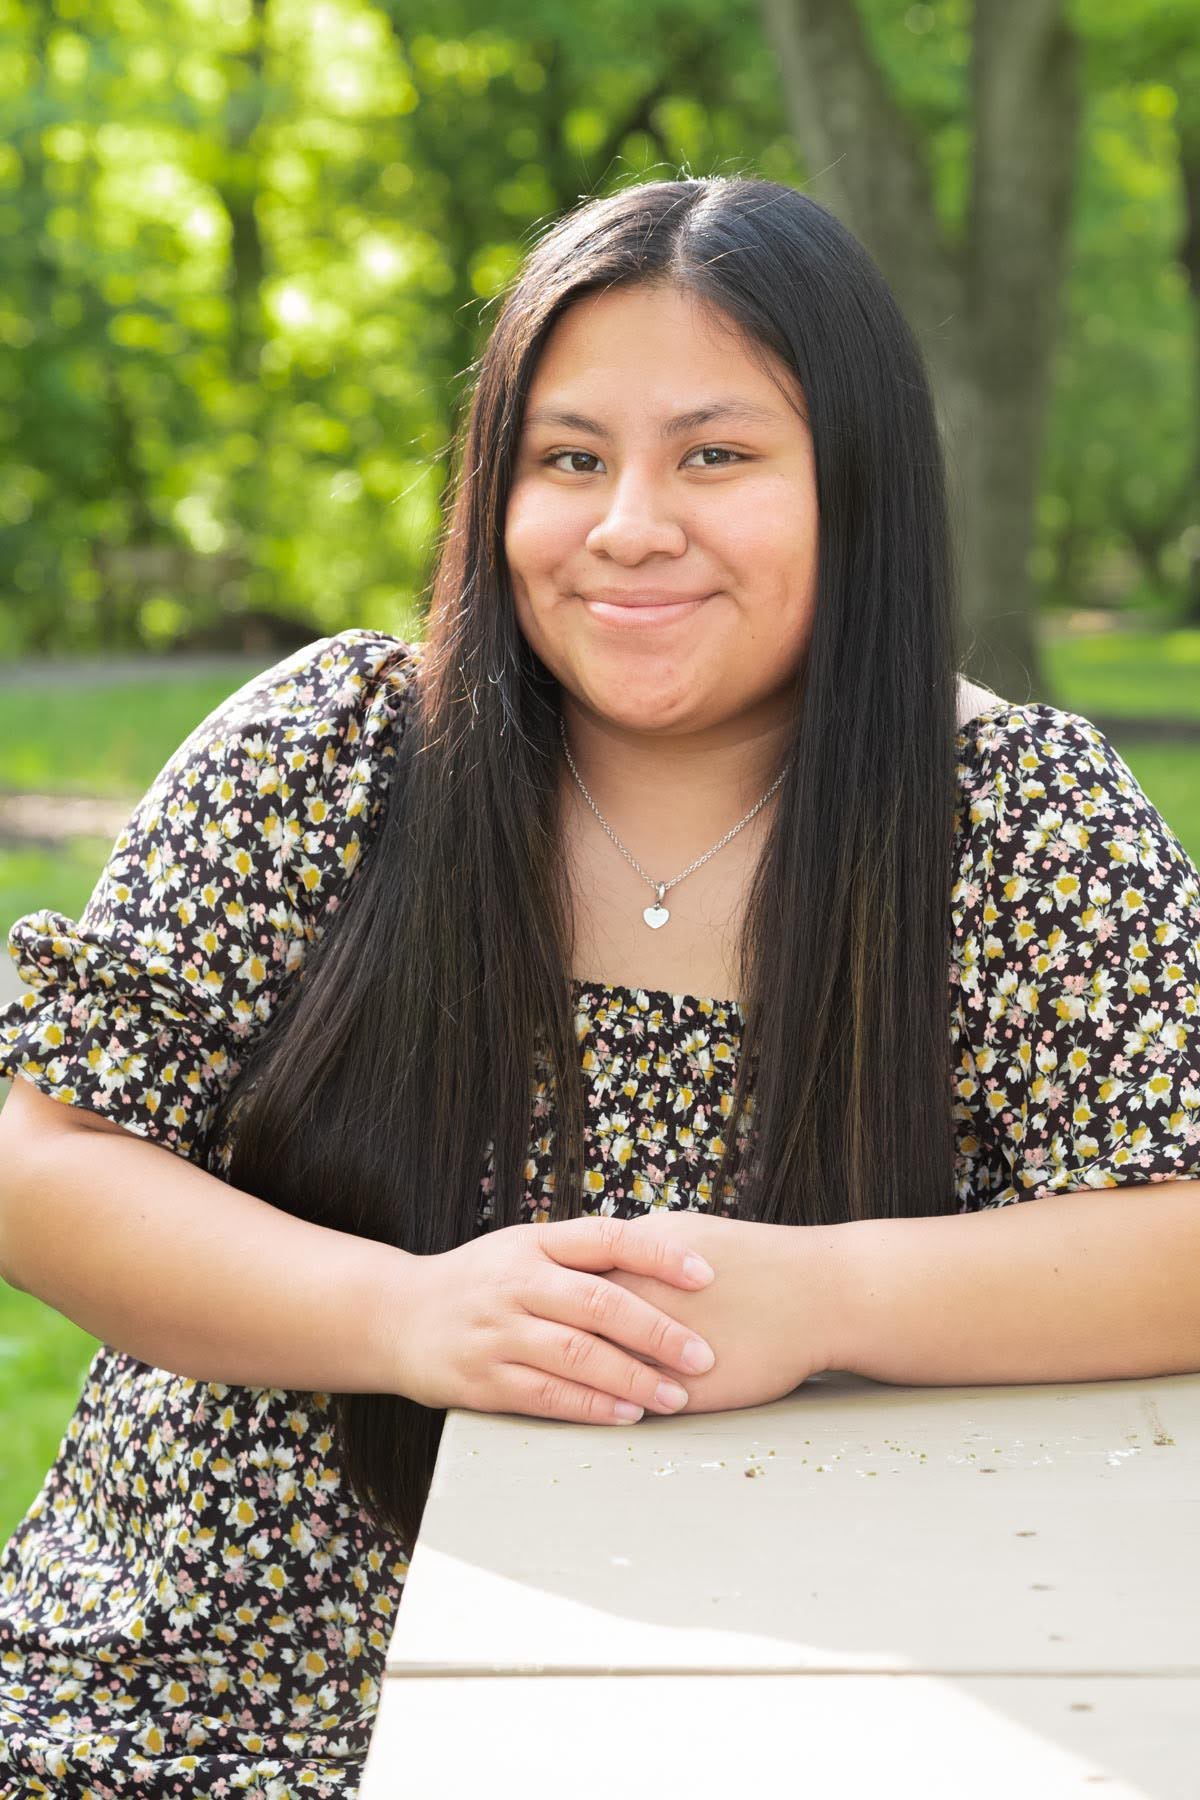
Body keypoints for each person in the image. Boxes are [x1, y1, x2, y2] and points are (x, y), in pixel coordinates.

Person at [1, 173, 1197, 1797]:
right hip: (191, 1691)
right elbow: (49, 1156)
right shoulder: (328, 756)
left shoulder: (1017, 822)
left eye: (716, 454)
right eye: (570, 459)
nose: (630, 523)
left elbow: (1174, 1225)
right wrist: (405, 1314)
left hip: (783, 1708)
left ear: (859, 486)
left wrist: (822, 1294)